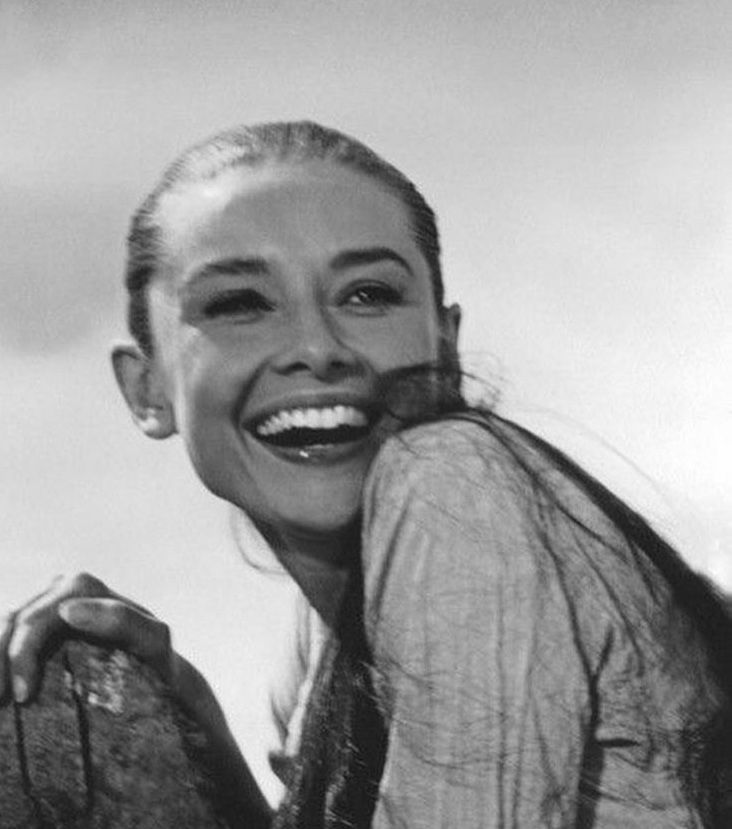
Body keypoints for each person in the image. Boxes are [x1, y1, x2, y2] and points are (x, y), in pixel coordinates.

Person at [1, 121, 731, 828]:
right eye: (240, 303)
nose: (318, 347)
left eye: (367, 295)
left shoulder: (453, 482)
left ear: (445, 347)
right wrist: (183, 713)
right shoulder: (334, 660)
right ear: (147, 388)